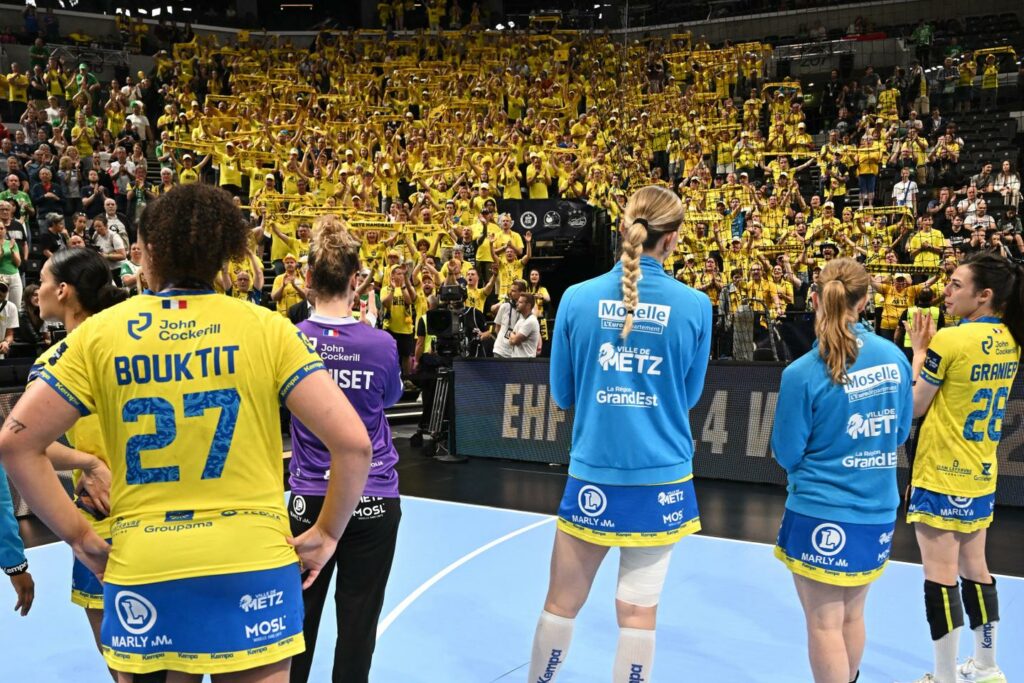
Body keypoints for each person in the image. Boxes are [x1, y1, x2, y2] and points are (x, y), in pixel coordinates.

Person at [0, 183, 374, 681]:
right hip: (251, 556)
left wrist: (81, 538)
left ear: (149, 251)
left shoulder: (100, 334)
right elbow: (354, 444)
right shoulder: (268, 328)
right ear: (226, 254)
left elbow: (16, 442)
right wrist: (327, 534)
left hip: (146, 562)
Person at [527, 185, 711, 682]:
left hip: (595, 475)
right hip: (663, 479)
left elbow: (562, 395)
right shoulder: (696, 306)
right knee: (638, 615)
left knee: (561, 605)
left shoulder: (576, 299)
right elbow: (689, 396)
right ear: (671, 240)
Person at [771, 258, 913, 683]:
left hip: (820, 510)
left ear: (814, 298)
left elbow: (786, 452)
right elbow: (901, 430)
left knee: (824, 624)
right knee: (852, 615)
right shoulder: (894, 358)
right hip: (877, 509)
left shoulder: (801, 373)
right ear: (866, 300)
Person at [288, 217, 404, 683]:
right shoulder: (381, 344)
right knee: (359, 624)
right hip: (373, 496)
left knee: (298, 623)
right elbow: (389, 399)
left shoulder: (290, 338)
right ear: (357, 281)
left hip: (311, 498)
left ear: (308, 280)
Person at [905, 253, 1021, 683]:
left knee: (939, 577)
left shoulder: (950, 341)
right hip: (980, 472)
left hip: (939, 472)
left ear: (984, 295)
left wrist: (919, 352)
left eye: (956, 285)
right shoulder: (1012, 338)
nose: (947, 292)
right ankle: (987, 666)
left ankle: (944, 676)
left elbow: (916, 406)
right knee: (976, 570)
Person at [27, 248, 128, 663]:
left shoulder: (56, 363)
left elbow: (24, 442)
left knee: (118, 648)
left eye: (45, 283)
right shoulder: (134, 344)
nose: (38, 292)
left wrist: (88, 463)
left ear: (64, 291)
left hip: (99, 517)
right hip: (163, 506)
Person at [506, 291, 541, 358]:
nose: (517, 304)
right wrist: (513, 336)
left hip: (526, 363)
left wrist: (513, 336)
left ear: (528, 305)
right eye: (518, 301)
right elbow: (509, 339)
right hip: (516, 361)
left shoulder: (531, 321)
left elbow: (514, 340)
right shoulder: (521, 320)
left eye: (520, 302)